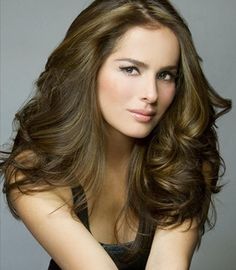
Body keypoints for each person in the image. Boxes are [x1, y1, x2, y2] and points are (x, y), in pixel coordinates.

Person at [0, 0, 232, 269]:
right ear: (88, 68)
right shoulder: (38, 172)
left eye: (166, 75)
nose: (152, 94)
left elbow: (168, 264)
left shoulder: (184, 161)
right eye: (131, 69)